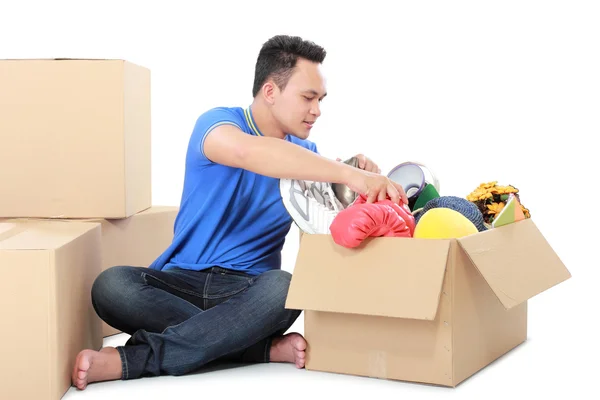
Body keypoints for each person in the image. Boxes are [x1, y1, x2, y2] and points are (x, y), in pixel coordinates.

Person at [72, 34, 407, 390]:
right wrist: (347, 173)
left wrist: (357, 183)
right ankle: (255, 348)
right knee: (111, 286)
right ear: (270, 91)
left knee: (286, 288)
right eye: (308, 98)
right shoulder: (217, 125)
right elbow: (251, 153)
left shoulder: (310, 156)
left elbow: (328, 227)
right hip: (180, 281)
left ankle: (134, 360)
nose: (317, 110)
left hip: (250, 293)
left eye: (321, 99)